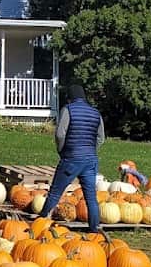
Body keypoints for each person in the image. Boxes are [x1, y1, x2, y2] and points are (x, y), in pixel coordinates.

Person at [39, 82, 105, 232]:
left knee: (55, 192)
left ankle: (41, 223)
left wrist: (61, 150)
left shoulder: (68, 110)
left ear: (70, 98)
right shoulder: (96, 113)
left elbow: (60, 133)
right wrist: (90, 150)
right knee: (91, 197)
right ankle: (94, 228)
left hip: (71, 158)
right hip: (90, 160)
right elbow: (101, 138)